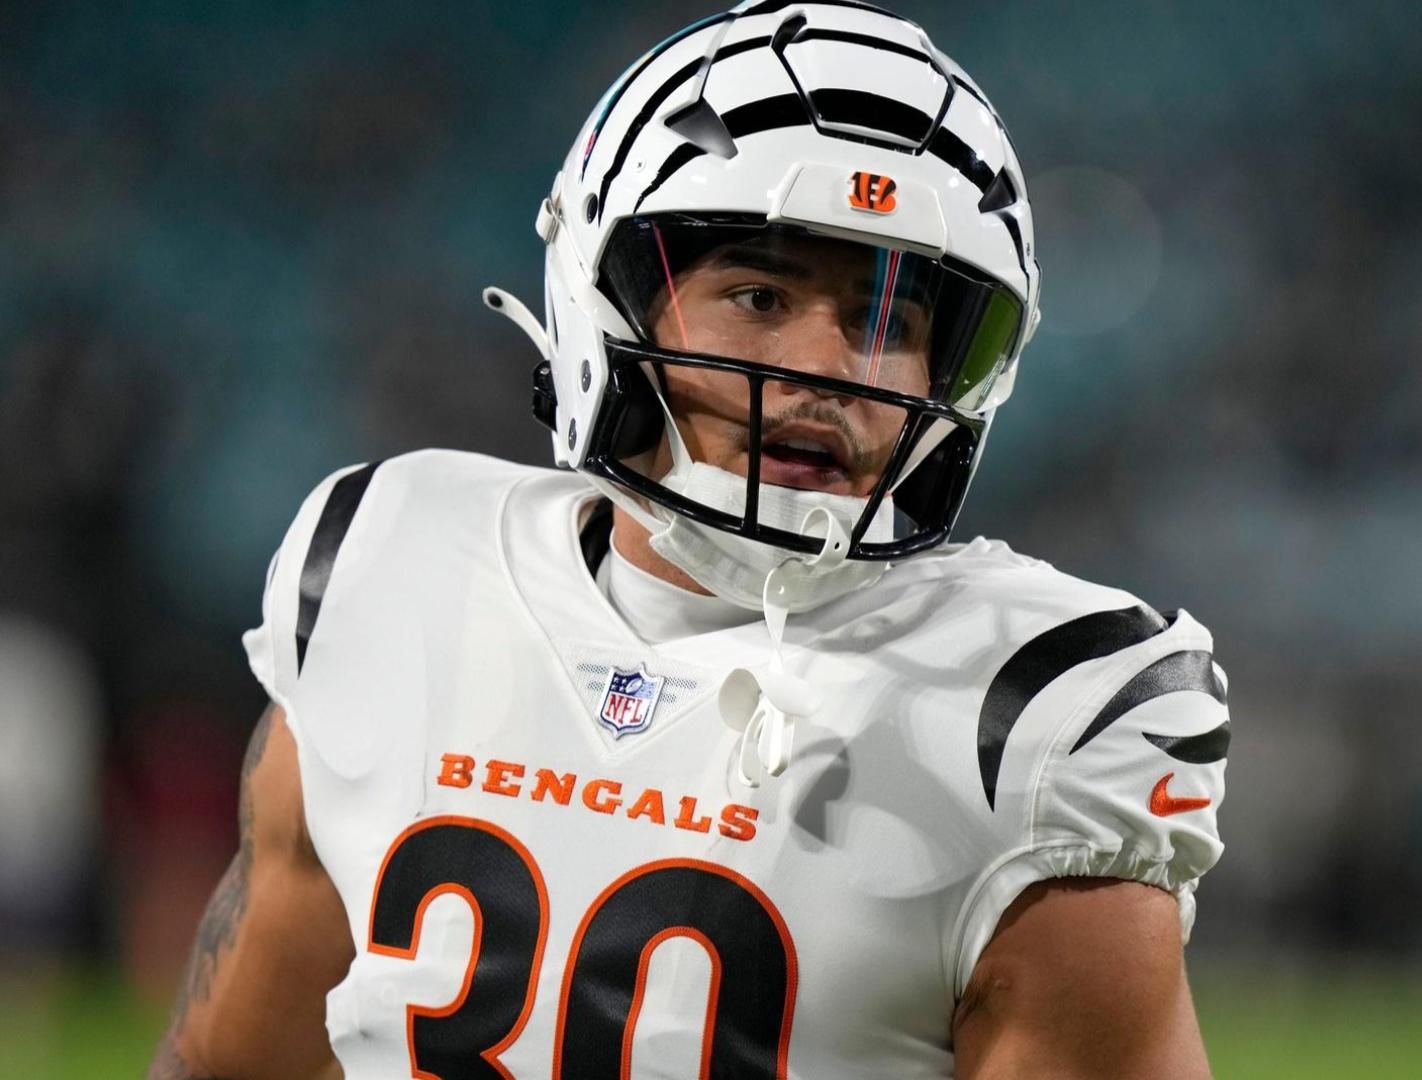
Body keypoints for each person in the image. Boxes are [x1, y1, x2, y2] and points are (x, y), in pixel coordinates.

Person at [149, 3, 1229, 1077]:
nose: (831, 374)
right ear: (603, 301)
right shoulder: (384, 562)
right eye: (760, 295)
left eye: (886, 323)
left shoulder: (1034, 715)